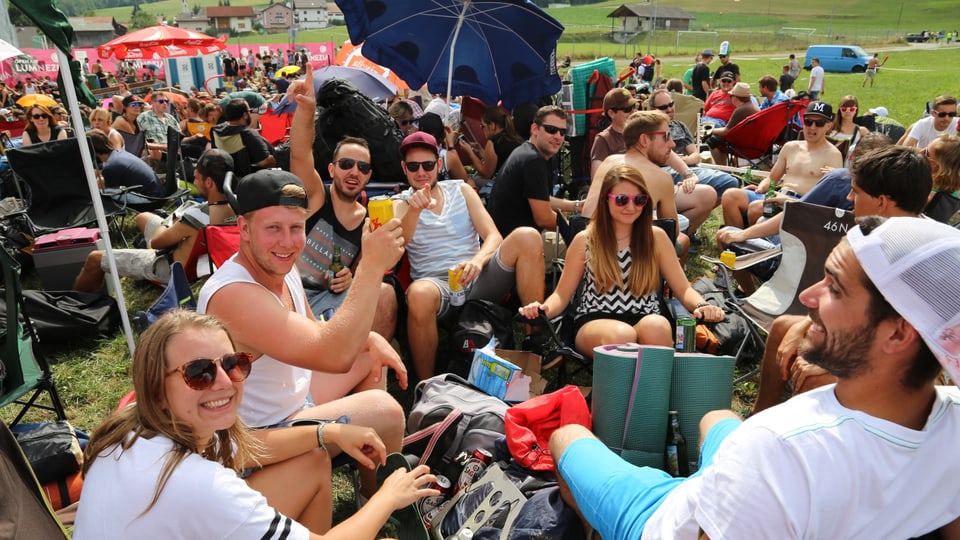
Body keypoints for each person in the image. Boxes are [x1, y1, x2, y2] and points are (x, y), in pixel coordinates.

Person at [553, 215, 960, 539]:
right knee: (717, 418)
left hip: (663, 517)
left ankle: (599, 526)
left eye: (834, 289)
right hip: (738, 481)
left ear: (899, 332)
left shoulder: (780, 449)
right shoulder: (950, 424)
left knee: (565, 436)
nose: (808, 296)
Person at [73, 310, 438, 539]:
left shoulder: (132, 426)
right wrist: (388, 497)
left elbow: (249, 449)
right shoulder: (201, 485)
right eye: (198, 372)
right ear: (157, 385)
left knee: (313, 458)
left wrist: (329, 432)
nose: (223, 381)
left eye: (233, 363)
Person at [197, 169, 408, 502]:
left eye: (296, 228)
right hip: (257, 438)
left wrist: (370, 339)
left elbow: (315, 330)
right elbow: (333, 356)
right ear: (243, 228)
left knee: (369, 356)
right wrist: (370, 266)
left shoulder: (281, 264)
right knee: (388, 410)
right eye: (273, 228)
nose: (287, 242)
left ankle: (370, 495)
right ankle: (381, 504)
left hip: (293, 402)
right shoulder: (233, 294)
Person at [750, 144, 934, 415]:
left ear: (881, 202)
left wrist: (830, 357)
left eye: (856, 192)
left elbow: (910, 342)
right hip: (865, 337)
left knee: (813, 373)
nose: (848, 198)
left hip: (909, 363)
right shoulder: (872, 234)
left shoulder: (922, 254)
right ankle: (758, 419)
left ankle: (816, 447)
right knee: (782, 327)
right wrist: (803, 329)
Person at [519, 164, 724, 354]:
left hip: (646, 315)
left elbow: (683, 288)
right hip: (595, 320)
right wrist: (544, 308)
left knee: (658, 327)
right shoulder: (586, 240)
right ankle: (628, 392)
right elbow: (562, 295)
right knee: (622, 335)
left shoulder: (656, 238)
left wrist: (701, 306)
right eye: (622, 199)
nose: (631, 206)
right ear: (606, 199)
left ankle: (652, 393)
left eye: (639, 200)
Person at [394, 131, 545, 380]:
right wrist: (414, 210)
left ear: (439, 164)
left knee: (528, 236)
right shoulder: (401, 203)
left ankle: (533, 339)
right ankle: (427, 385)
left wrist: (477, 260)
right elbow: (400, 243)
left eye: (428, 165)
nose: (421, 172)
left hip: (477, 277)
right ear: (404, 168)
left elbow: (494, 236)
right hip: (436, 285)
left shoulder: (461, 190)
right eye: (413, 166)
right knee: (419, 295)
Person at [287, 64, 398, 343]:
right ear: (332, 169)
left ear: (369, 175)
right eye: (347, 164)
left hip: (330, 299)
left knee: (384, 293)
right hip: (291, 294)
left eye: (362, 167)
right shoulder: (316, 197)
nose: (354, 172)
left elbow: (365, 268)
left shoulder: (368, 220)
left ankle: (373, 368)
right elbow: (300, 155)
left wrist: (350, 276)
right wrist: (307, 109)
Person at [74, 148, 234, 292]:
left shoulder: (196, 216)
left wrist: (171, 222)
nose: (195, 182)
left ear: (209, 182)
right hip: (197, 261)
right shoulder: (238, 208)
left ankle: (75, 307)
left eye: (197, 178)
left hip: (168, 267)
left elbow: (156, 243)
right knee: (143, 217)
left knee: (95, 258)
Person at [720, 101, 843, 230]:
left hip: (800, 203)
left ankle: (748, 244)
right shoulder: (791, 147)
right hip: (777, 194)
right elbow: (772, 179)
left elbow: (829, 197)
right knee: (730, 195)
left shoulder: (833, 155)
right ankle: (735, 244)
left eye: (819, 123)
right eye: (808, 122)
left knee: (756, 208)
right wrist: (760, 189)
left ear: (828, 126)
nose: (812, 127)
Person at [584, 111, 687, 250]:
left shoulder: (608, 162)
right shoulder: (662, 177)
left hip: (586, 244)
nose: (672, 144)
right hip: (627, 255)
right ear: (644, 140)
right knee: (683, 241)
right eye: (666, 136)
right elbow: (671, 233)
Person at [488, 105, 578, 235]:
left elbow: (540, 197)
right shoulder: (533, 161)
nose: (558, 136)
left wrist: (577, 206)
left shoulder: (526, 151)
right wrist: (582, 230)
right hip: (514, 247)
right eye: (551, 130)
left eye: (562, 132)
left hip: (511, 241)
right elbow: (544, 219)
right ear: (535, 129)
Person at [651, 89, 739, 211]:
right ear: (652, 109)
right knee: (729, 182)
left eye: (671, 104)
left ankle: (692, 214)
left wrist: (684, 161)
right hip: (666, 171)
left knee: (730, 182)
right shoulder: (651, 130)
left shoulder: (680, 126)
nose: (669, 109)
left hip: (689, 168)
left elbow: (696, 155)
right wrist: (677, 162)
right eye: (663, 107)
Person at [86, 128, 163, 197]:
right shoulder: (118, 154)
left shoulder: (111, 167)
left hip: (150, 198)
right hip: (157, 192)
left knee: (102, 194)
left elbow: (108, 192)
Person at [211, 98, 276, 177]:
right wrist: (281, 156)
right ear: (245, 115)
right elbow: (264, 162)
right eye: (249, 110)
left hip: (228, 176)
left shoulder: (216, 130)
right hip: (251, 177)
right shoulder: (247, 134)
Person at [457, 105, 523, 183]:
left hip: (503, 186)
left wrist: (470, 153)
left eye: (482, 126)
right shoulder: (514, 137)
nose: (482, 129)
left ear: (492, 125)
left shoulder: (493, 142)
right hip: (516, 183)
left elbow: (485, 173)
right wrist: (481, 151)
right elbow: (496, 160)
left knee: (470, 181)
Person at [705, 82, 759, 166]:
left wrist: (709, 130)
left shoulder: (741, 110)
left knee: (711, 141)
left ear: (736, 97)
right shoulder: (751, 107)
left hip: (745, 145)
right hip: (753, 142)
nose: (730, 98)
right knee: (718, 140)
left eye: (731, 96)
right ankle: (724, 168)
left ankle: (722, 169)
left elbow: (726, 131)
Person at [589, 88, 637, 175]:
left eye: (634, 106)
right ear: (611, 113)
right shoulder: (603, 140)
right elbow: (597, 177)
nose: (633, 111)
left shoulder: (641, 134)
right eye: (627, 109)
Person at [418, 112, 470, 184]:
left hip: (420, 191)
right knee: (471, 182)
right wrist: (451, 146)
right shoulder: (447, 156)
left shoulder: (412, 153)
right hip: (442, 193)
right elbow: (463, 179)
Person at [830, 95, 871, 167]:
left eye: (851, 109)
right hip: (830, 165)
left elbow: (875, 148)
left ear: (856, 110)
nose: (847, 112)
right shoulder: (829, 127)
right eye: (844, 109)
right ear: (839, 110)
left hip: (849, 169)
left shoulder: (861, 131)